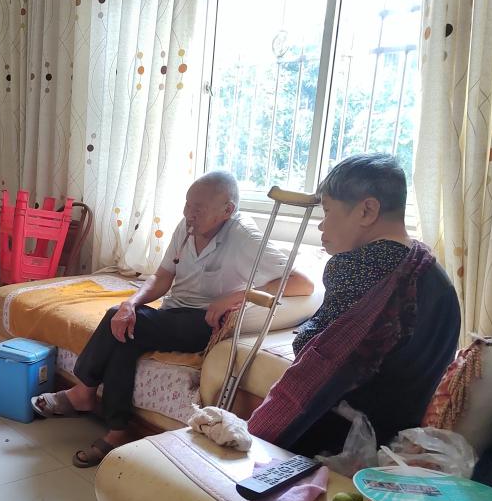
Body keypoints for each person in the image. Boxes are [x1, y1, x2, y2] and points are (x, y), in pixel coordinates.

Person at [31, 171, 314, 467]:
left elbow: (301, 283)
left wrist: (237, 296)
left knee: (120, 321)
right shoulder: (187, 226)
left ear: (227, 210)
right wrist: (131, 303)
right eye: (187, 205)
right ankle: (117, 431)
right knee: (125, 330)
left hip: (206, 322)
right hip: (173, 312)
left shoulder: (244, 237)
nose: (189, 214)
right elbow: (163, 275)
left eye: (198, 208)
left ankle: (84, 392)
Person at [248, 153, 461, 455]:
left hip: (341, 438)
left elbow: (314, 352)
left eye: (327, 210)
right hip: (396, 437)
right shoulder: (431, 271)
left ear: (367, 211)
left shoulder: (357, 267)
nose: (321, 225)